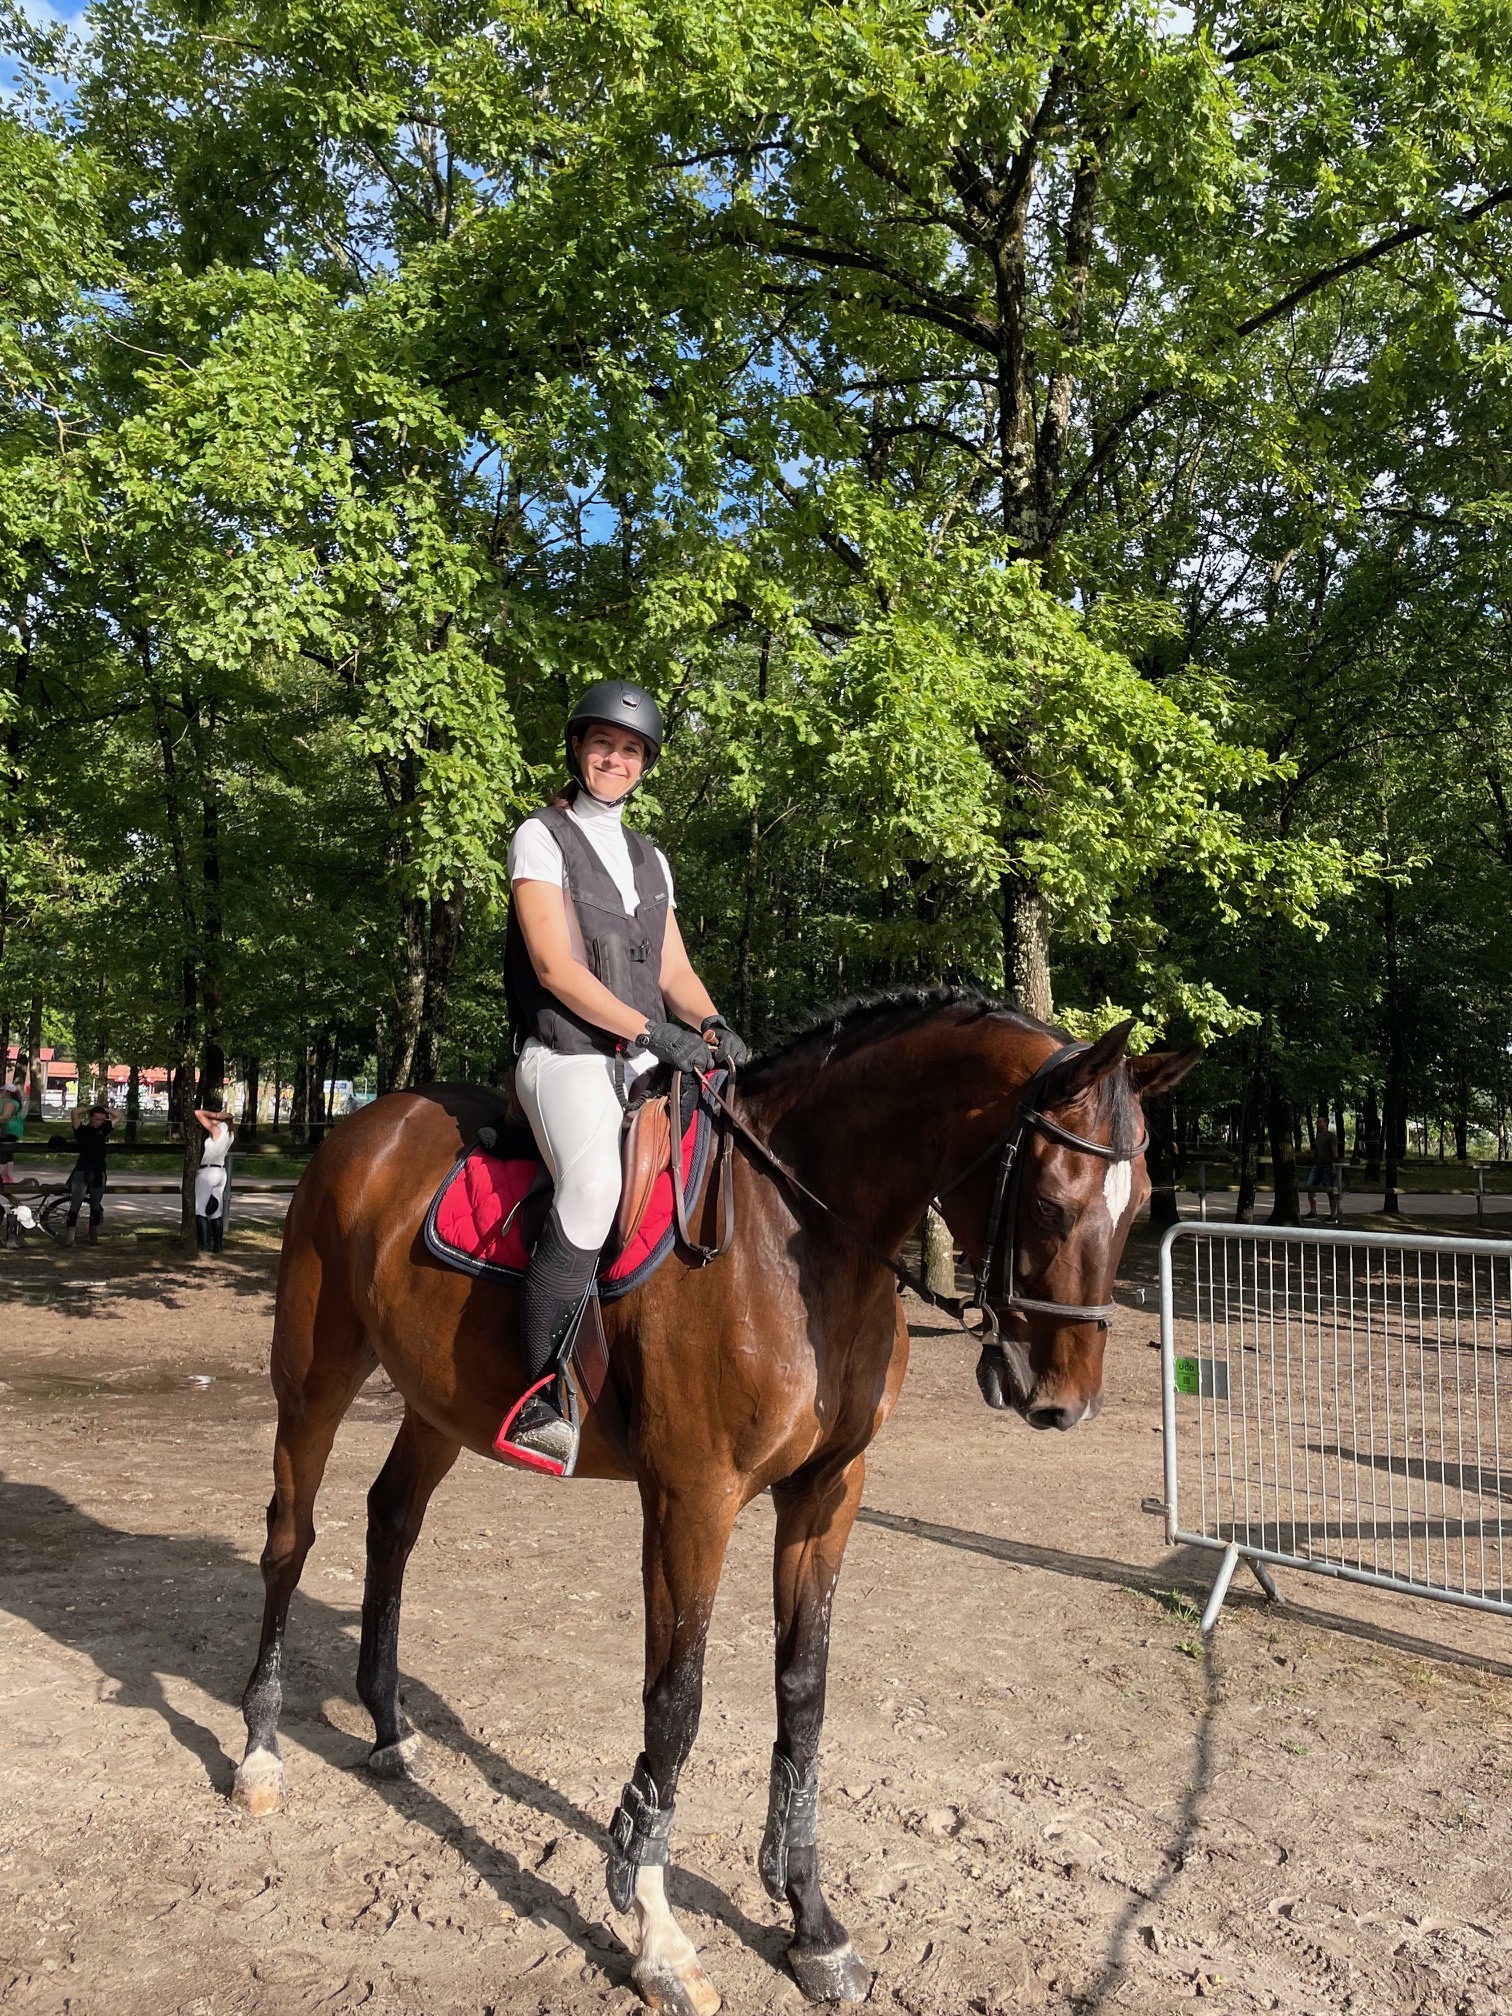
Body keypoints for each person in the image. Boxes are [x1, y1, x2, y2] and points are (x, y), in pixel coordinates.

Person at [501, 680, 749, 1469]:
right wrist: (652, 1032)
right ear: (578, 750)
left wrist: (709, 1024)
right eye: (603, 745)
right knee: (596, 1188)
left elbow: (672, 965)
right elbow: (553, 964)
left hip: (646, 1056)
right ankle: (541, 1393)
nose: (615, 759)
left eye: (631, 750)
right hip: (565, 1055)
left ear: (645, 765)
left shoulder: (650, 858)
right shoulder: (541, 836)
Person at [65, 1102, 113, 1245]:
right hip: (82, 1169)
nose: (98, 1122)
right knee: (76, 1203)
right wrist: (90, 1107)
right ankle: (69, 1238)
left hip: (99, 1170)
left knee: (95, 1205)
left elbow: (118, 1116)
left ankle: (93, 1237)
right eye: (96, 1118)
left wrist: (104, 1109)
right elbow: (74, 1112)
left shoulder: (103, 1130)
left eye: (101, 1119)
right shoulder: (81, 1130)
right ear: (90, 1117)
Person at [193, 1103, 235, 1252]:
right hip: (221, 1172)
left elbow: (198, 1113)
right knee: (215, 1211)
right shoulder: (230, 1135)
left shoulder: (218, 1131)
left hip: (208, 1171)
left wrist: (218, 1115)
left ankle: (203, 1246)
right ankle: (217, 1246)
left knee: (199, 1209)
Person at [1306, 1116, 1340, 1220]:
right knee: (1309, 1187)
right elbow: (1317, 1151)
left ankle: (1333, 1215)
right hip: (1317, 1166)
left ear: (1326, 1123)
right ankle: (1313, 1211)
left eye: (1320, 1121)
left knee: (1330, 1191)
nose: (1317, 1123)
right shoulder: (1319, 1136)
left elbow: (1335, 1152)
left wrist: (1334, 1166)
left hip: (1327, 1167)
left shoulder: (1331, 1136)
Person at [0, 1081, 23, 1190]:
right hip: (15, 1130)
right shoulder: (14, 1101)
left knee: (4, 1150)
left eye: (3, 1090)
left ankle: (3, 1175)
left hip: (9, 1129)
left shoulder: (9, 1102)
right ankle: (8, 1176)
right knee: (8, 1152)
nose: (2, 1092)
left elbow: (5, 1116)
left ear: (8, 1092)